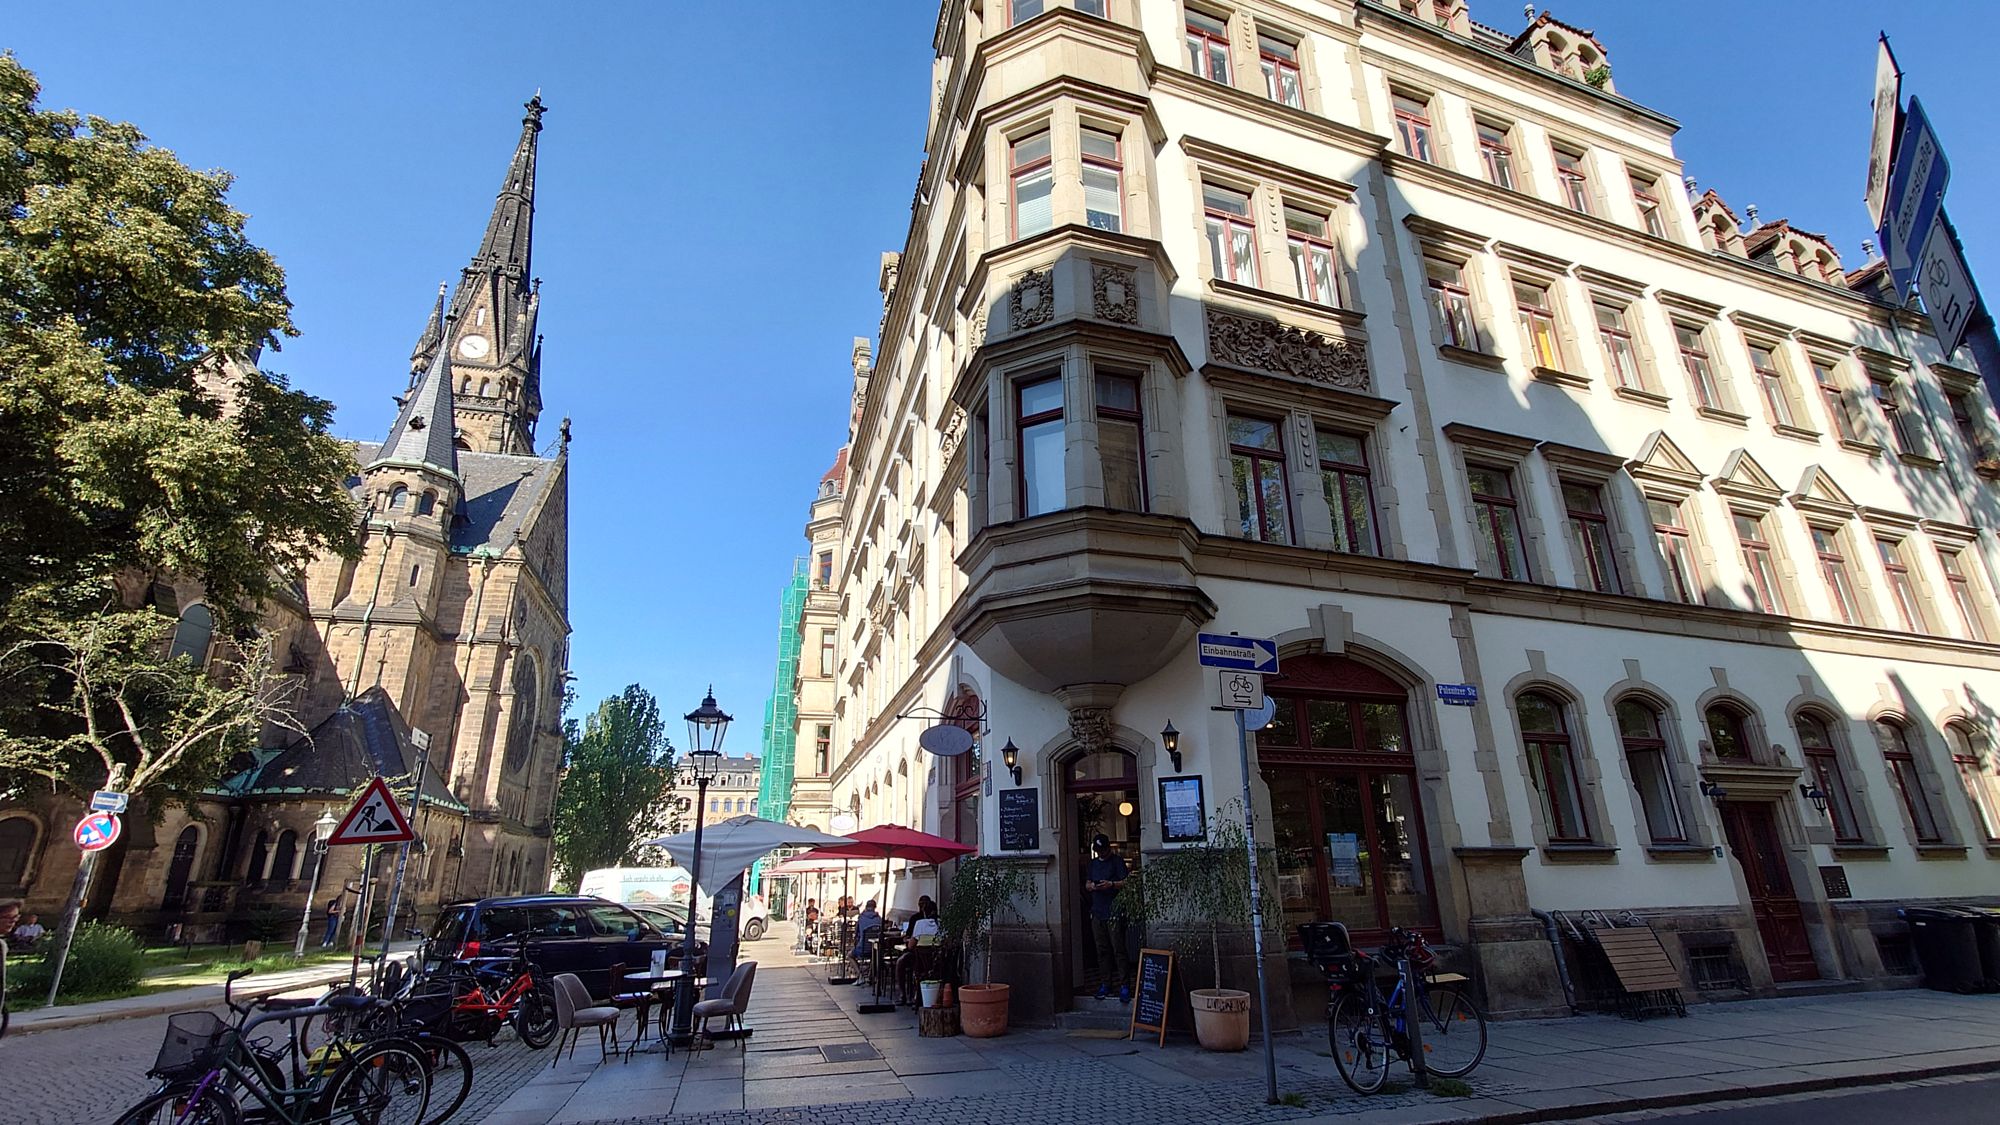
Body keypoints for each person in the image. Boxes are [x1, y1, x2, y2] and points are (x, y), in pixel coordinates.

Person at [1084, 833, 1130, 1001]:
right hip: (1097, 911)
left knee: (1118, 949)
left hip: (1114, 911)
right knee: (1102, 950)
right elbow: (1087, 883)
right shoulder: (1093, 864)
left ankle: (1124, 984)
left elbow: (1127, 882)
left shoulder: (1117, 862)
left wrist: (1111, 884)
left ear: (1108, 848)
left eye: (1103, 850)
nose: (1101, 853)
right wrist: (1091, 886)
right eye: (1098, 850)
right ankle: (1106, 983)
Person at [895, 896, 941, 1004]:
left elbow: (911, 946)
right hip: (937, 963)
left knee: (900, 962)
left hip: (919, 962)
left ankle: (903, 995)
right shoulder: (940, 923)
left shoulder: (920, 924)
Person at [851, 899, 882, 984]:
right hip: (875, 949)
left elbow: (856, 934)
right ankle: (870, 976)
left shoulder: (861, 918)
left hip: (863, 949)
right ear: (875, 907)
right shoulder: (879, 919)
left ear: (866, 907)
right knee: (874, 956)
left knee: (849, 956)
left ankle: (860, 976)